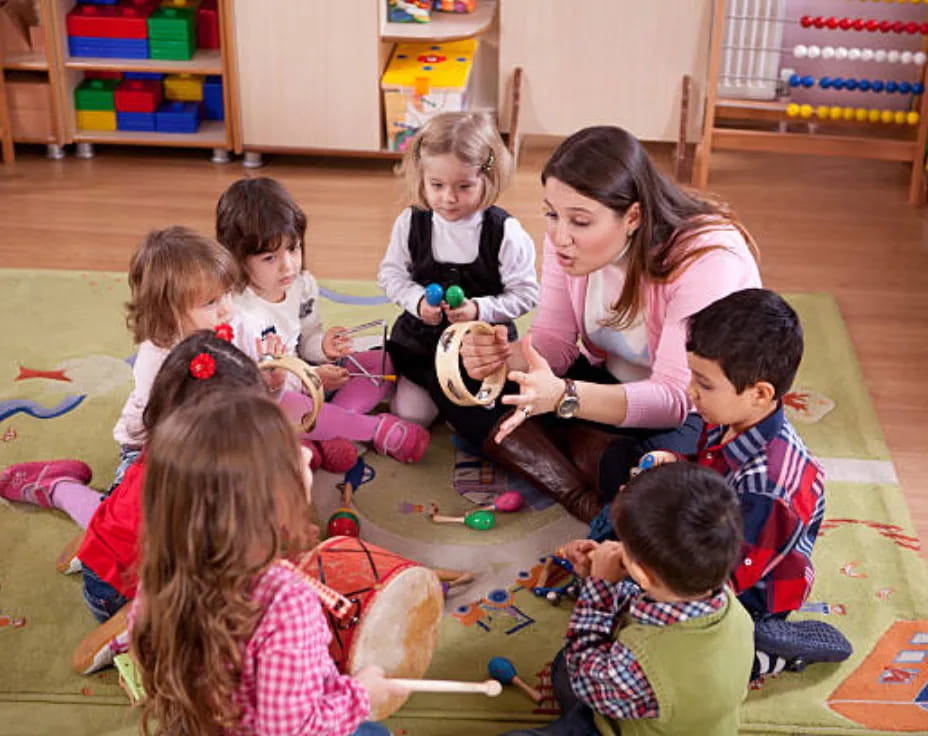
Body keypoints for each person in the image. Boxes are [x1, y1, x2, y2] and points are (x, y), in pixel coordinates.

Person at [455, 125, 761, 522]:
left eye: (580, 222)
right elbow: (554, 343)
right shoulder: (565, 242)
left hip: (694, 411)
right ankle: (583, 492)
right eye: (551, 214)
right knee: (468, 385)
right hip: (604, 387)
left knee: (661, 483)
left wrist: (563, 397)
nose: (560, 236)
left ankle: (573, 455)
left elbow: (674, 399)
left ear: (633, 215)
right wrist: (504, 358)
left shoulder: (708, 261)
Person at [130, 391, 405, 736]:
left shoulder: (162, 571)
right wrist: (362, 694)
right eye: (291, 452)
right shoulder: (287, 602)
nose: (306, 451)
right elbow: (291, 731)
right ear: (266, 501)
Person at [1, 331, 273, 674]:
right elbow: (183, 583)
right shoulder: (184, 504)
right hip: (122, 589)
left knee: (114, 516)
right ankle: (126, 623)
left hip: (121, 537)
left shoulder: (178, 443)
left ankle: (61, 493)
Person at [620, 288, 851, 679]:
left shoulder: (769, 490)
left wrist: (648, 580)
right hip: (720, 536)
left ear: (760, 394)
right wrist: (675, 463)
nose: (691, 392)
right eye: (693, 376)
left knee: (679, 665)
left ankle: (769, 651)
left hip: (751, 592)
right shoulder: (727, 420)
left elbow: (725, 582)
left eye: (704, 384)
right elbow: (709, 472)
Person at [502, 463, 754, 736]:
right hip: (685, 714)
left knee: (571, 669)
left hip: (629, 720)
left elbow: (584, 676)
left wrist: (600, 587)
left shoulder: (644, 662)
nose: (617, 548)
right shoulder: (724, 598)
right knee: (564, 666)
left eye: (625, 548)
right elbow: (650, 604)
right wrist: (601, 574)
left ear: (643, 574)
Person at [216, 176, 429, 466]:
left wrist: (325, 348)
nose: (288, 265)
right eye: (269, 258)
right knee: (281, 403)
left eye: (293, 249)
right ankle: (369, 430)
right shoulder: (237, 311)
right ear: (238, 260)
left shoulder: (302, 284)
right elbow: (254, 383)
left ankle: (323, 434)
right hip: (271, 394)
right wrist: (310, 380)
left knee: (381, 362)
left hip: (306, 380)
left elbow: (307, 338)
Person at [377, 111, 539, 427]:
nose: (448, 198)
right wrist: (417, 301)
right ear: (421, 178)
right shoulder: (411, 222)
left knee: (474, 419)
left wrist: (479, 309)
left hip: (481, 350)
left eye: (464, 186)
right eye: (436, 184)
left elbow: (526, 294)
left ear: (488, 178)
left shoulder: (505, 232)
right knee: (412, 416)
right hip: (421, 347)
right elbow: (391, 275)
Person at [112, 225, 240, 489]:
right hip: (152, 445)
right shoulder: (157, 362)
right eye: (211, 302)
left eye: (228, 293)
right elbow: (162, 427)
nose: (228, 308)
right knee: (134, 517)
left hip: (203, 432)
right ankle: (58, 487)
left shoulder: (215, 329)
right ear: (169, 312)